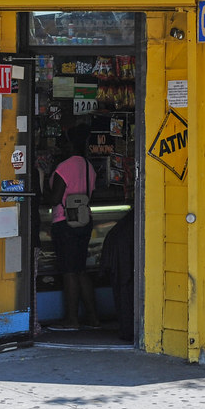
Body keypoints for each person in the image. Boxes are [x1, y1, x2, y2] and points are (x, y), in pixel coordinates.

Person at [48, 124, 100, 330]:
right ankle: (93, 317)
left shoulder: (64, 167)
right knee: (80, 270)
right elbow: (90, 196)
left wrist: (43, 185)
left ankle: (71, 319)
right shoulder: (89, 167)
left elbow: (54, 199)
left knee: (69, 271)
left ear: (70, 144)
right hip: (84, 221)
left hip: (65, 222)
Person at [100, 207, 134, 341]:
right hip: (125, 255)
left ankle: (127, 329)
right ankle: (129, 330)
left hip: (120, 256)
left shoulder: (125, 224)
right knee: (127, 288)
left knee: (124, 289)